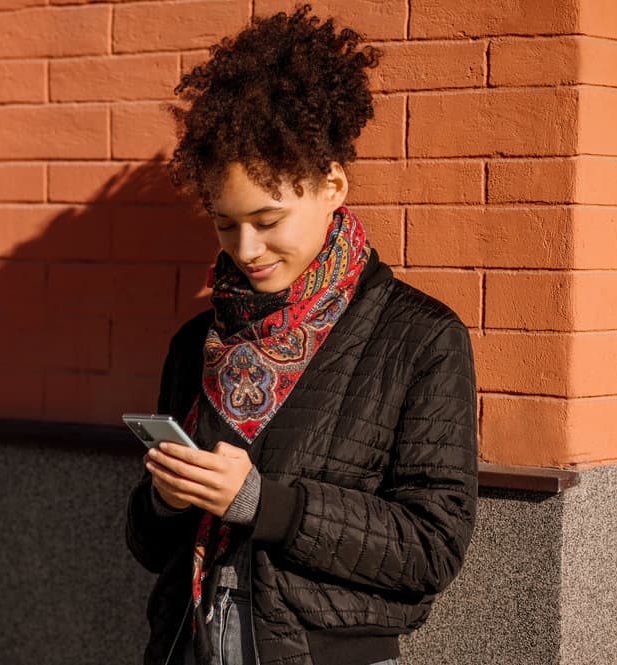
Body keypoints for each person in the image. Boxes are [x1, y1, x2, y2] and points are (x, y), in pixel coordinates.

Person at [124, 4, 479, 665]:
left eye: (267, 219)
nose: (245, 248)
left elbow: (431, 547)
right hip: (186, 643)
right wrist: (165, 499)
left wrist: (265, 502)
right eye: (225, 225)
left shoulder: (419, 338)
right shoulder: (196, 342)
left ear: (332, 185)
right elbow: (146, 546)